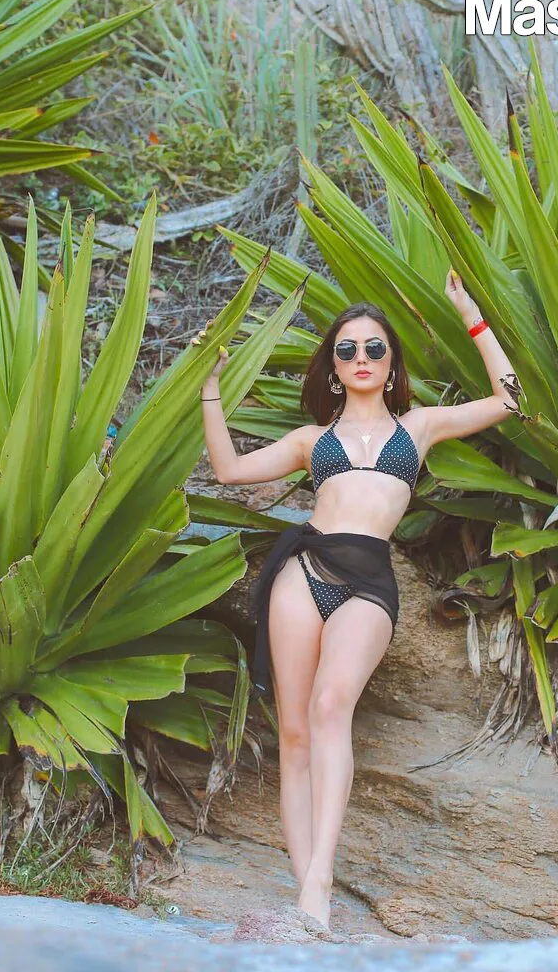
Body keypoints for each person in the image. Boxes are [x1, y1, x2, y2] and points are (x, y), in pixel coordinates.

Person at [197, 270, 520, 929]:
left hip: (369, 579)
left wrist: (472, 314)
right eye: (347, 350)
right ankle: (309, 897)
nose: (362, 358)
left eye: (375, 348)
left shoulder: (419, 427)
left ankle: (320, 876)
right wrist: (210, 387)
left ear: (391, 362)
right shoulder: (311, 441)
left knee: (330, 704)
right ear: (334, 368)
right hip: (305, 567)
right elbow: (229, 471)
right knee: (294, 733)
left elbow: (510, 400)